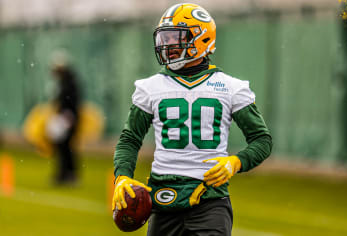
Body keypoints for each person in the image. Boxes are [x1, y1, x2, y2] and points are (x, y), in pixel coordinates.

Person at [113, 3, 272, 236]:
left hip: (210, 200)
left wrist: (235, 163)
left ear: (202, 39)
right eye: (164, 39)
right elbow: (130, 139)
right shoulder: (149, 88)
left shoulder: (231, 88)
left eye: (175, 38)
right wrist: (122, 176)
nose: (168, 46)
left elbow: (262, 140)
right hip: (162, 198)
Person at [46, 51, 82, 186]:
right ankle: (64, 174)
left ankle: (69, 174)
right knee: (63, 147)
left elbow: (71, 100)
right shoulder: (66, 81)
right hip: (65, 117)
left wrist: (68, 114)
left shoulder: (69, 82)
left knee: (66, 146)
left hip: (67, 118)